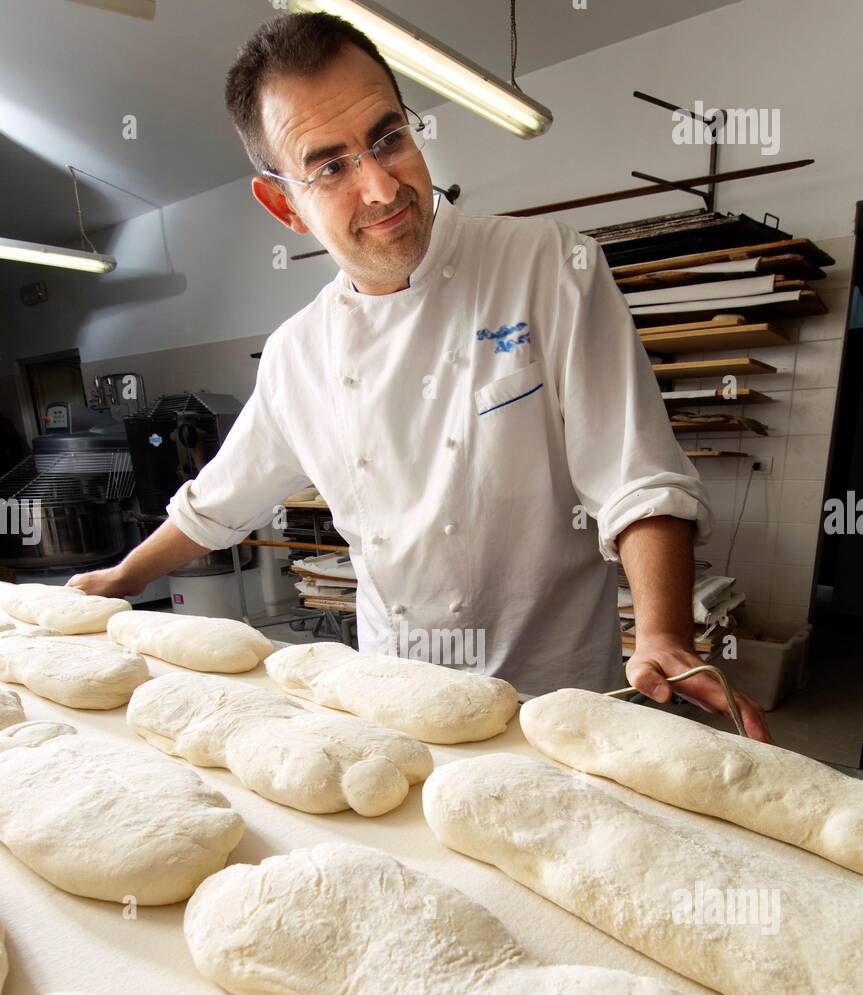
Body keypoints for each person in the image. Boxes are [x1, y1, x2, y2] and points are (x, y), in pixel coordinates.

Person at [69, 10, 768, 739]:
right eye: (331, 166)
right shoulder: (298, 354)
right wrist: (125, 578)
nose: (380, 187)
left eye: (387, 139)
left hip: (557, 704)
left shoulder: (546, 265)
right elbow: (217, 504)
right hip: (396, 702)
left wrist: (660, 635)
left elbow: (636, 477)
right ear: (283, 203)